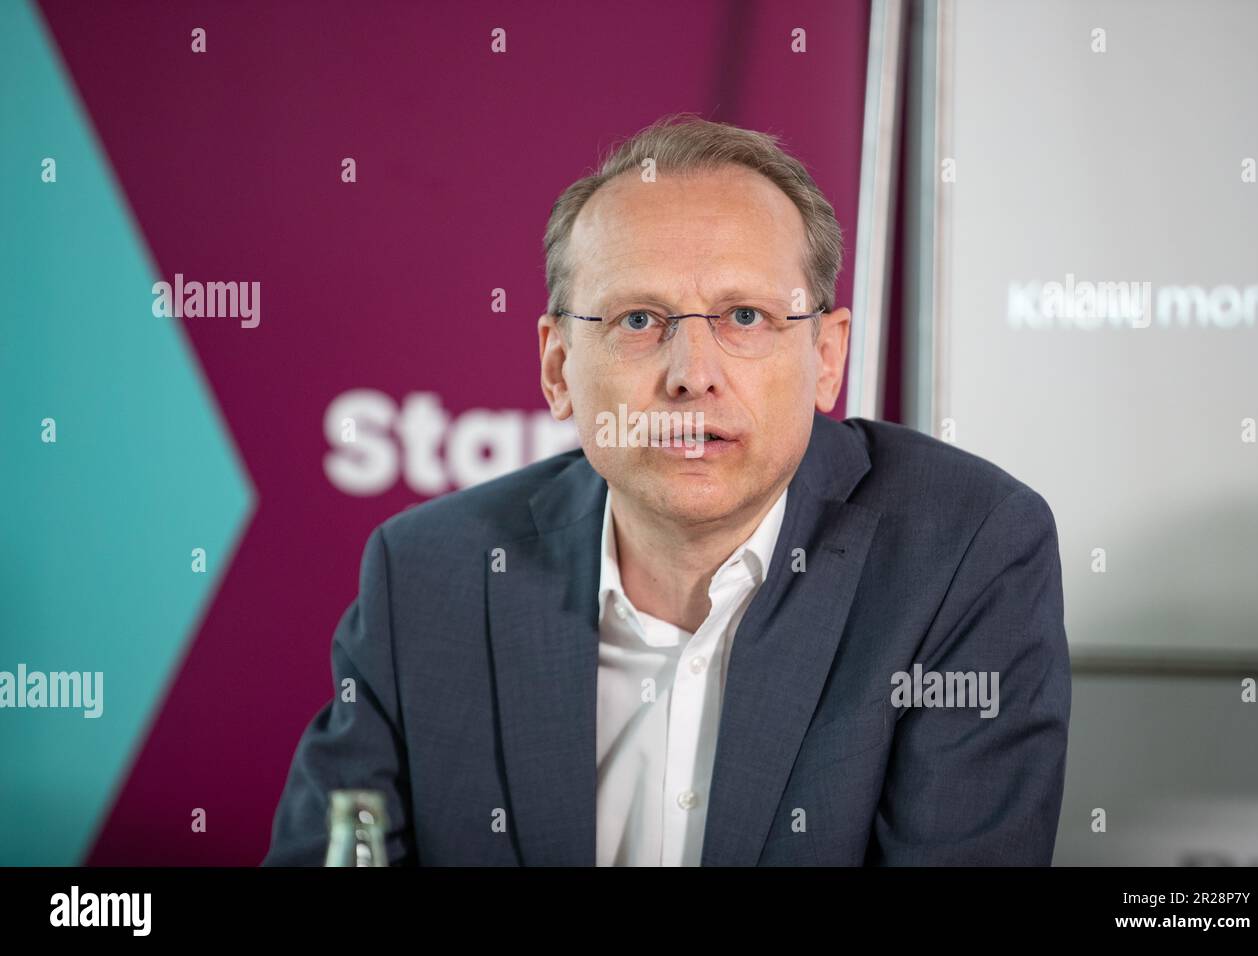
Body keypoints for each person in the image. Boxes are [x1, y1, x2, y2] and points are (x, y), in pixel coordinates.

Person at [264, 113, 1070, 866]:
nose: (692, 377)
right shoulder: (429, 575)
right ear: (557, 370)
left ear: (827, 358)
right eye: (639, 321)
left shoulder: (965, 553)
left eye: (746, 318)